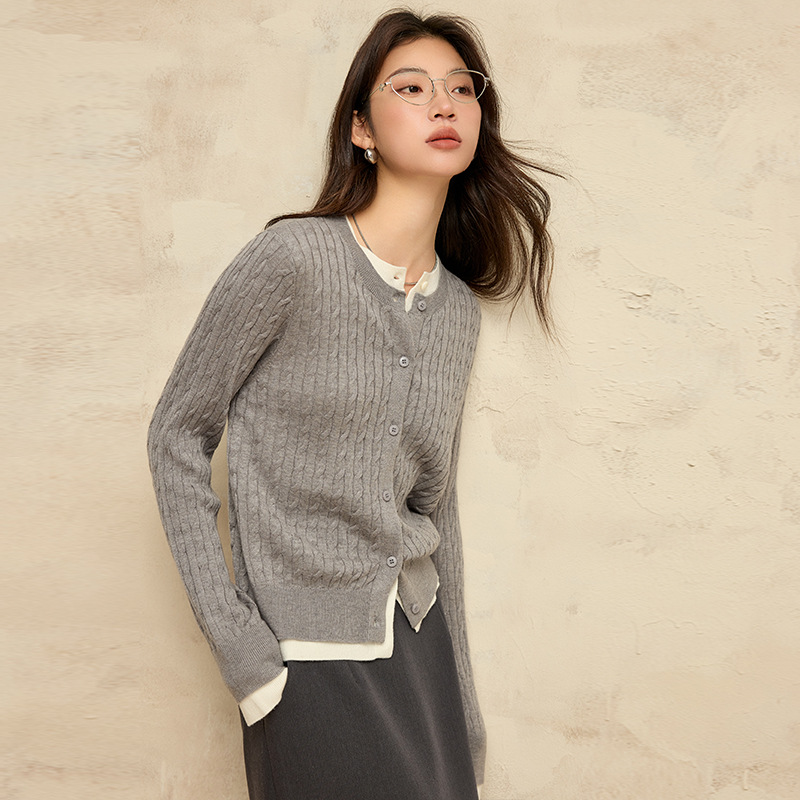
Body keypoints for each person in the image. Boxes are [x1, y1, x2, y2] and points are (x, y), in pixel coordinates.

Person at [147, 9, 555, 799]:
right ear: (362, 128)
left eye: (460, 88)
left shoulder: (456, 311)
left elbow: (437, 514)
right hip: (306, 662)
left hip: (421, 651)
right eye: (412, 88)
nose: (443, 104)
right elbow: (176, 434)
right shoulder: (291, 260)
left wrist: (464, 712)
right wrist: (243, 652)